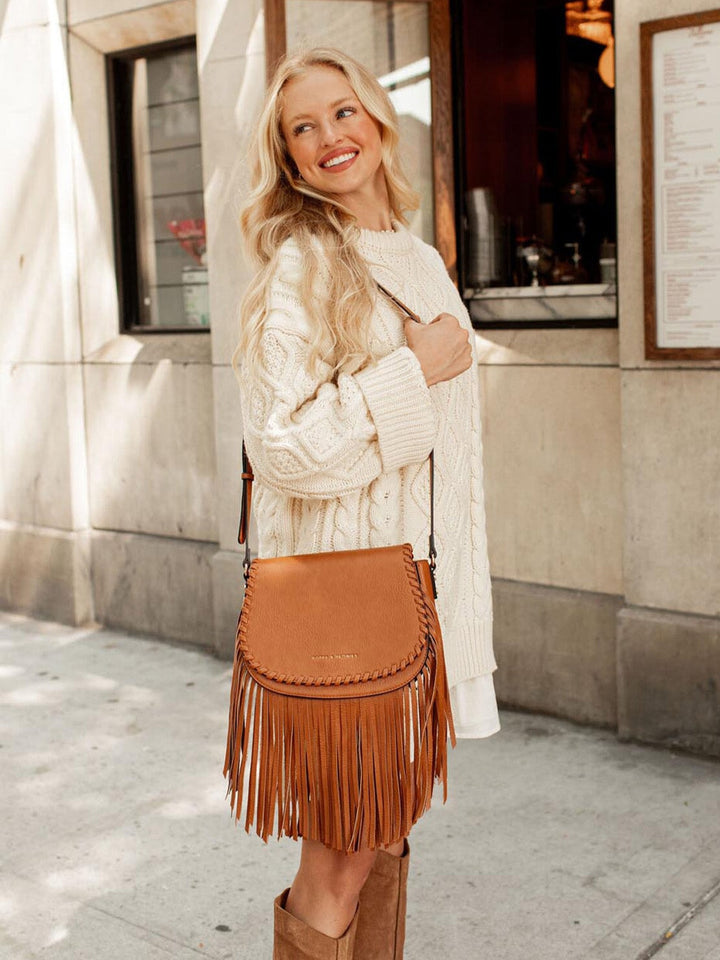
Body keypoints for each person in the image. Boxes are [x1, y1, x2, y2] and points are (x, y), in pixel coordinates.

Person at [231, 45, 500, 960]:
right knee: (343, 847)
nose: (329, 137)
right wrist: (408, 370)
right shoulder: (304, 268)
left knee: (387, 824)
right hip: (351, 601)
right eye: (303, 127)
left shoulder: (416, 257)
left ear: (377, 120)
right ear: (289, 157)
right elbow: (281, 449)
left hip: (425, 594)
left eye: (342, 113)